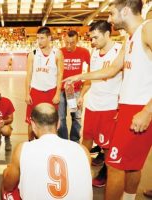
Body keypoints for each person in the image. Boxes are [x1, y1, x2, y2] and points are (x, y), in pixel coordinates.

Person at [64, 0, 152, 199]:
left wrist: (147, 111)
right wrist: (80, 76)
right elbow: (112, 69)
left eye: (112, 14)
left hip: (140, 108)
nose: (110, 19)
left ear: (126, 11)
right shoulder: (131, 38)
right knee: (132, 164)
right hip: (128, 107)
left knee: (113, 164)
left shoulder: (148, 28)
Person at [2, 103, 92, 200]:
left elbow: (8, 186)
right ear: (58, 124)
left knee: (7, 179)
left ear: (33, 125)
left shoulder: (22, 149)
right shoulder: (83, 150)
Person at [80, 20, 123, 188]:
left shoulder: (120, 51)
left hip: (109, 107)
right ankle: (82, 170)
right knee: (87, 139)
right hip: (92, 105)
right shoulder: (95, 52)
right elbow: (91, 77)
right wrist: (82, 95)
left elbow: (126, 80)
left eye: (95, 38)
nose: (92, 42)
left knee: (107, 146)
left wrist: (121, 106)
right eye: (91, 38)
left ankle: (106, 170)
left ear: (107, 34)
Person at [25, 26, 64, 141]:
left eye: (42, 38)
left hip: (51, 92)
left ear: (49, 38)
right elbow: (28, 75)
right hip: (36, 91)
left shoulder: (57, 53)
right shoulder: (33, 54)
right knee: (31, 121)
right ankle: (30, 143)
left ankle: (51, 144)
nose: (39, 41)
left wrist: (57, 94)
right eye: (38, 38)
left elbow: (60, 75)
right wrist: (27, 93)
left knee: (52, 121)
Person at [58, 30, 90, 142]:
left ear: (77, 41)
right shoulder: (59, 52)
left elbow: (89, 73)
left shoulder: (84, 52)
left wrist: (82, 94)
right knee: (61, 118)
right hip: (61, 90)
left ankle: (74, 141)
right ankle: (63, 141)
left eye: (72, 43)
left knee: (76, 117)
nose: (68, 46)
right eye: (66, 42)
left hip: (74, 91)